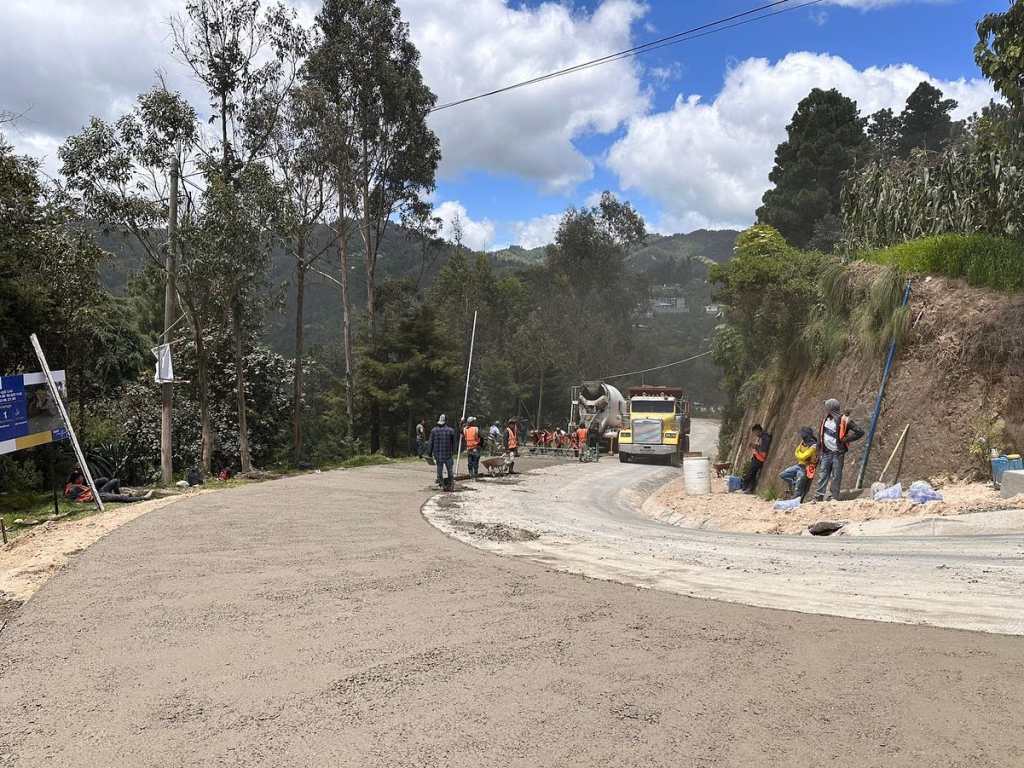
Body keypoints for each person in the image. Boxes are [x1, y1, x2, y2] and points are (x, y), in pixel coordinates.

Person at [814, 398, 865, 502]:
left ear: (830, 408)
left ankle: (834, 496)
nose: (825, 409)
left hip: (838, 453)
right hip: (826, 453)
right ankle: (819, 496)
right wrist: (818, 452)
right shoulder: (824, 420)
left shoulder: (844, 420)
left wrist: (845, 439)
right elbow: (820, 436)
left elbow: (860, 432)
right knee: (823, 475)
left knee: (836, 475)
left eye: (827, 407)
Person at [64, 468, 153, 504]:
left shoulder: (80, 485)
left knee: (115, 481)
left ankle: (116, 495)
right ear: (76, 479)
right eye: (81, 477)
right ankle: (144, 498)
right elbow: (73, 498)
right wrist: (81, 500)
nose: (82, 478)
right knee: (121, 497)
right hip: (96, 496)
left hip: (98, 492)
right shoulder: (73, 488)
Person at [779, 427, 818, 500]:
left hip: (806, 468)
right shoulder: (803, 442)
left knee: (799, 488)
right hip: (799, 465)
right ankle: (794, 482)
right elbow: (796, 452)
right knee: (783, 475)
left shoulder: (813, 445)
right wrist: (800, 456)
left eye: (803, 434)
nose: (801, 435)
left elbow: (803, 456)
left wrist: (800, 455)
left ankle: (796, 500)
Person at [741, 424, 772, 493]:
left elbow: (763, 449)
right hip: (757, 457)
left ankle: (744, 487)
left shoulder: (765, 437)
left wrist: (755, 446)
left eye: (755, 432)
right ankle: (749, 489)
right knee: (753, 474)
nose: (755, 434)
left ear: (758, 430)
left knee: (750, 473)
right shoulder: (762, 437)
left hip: (759, 459)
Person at [428, 414, 456, 489]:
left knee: (439, 471)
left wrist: (429, 453)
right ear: (446, 421)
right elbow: (454, 443)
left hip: (438, 455)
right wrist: (453, 451)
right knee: (450, 471)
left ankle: (443, 486)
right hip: (448, 455)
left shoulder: (433, 431)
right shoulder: (451, 430)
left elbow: (430, 443)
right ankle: (451, 485)